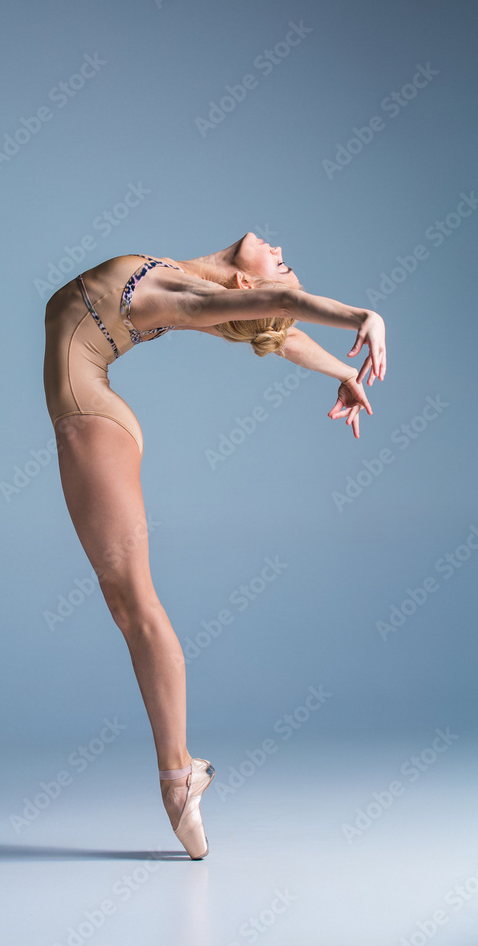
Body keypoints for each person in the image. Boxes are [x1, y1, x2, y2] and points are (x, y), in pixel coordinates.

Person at [42, 231, 386, 859]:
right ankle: (180, 773)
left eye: (286, 269)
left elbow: (287, 309)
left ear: (247, 288)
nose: (286, 251)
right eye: (285, 264)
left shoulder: (185, 299)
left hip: (91, 418)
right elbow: (278, 334)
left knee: (134, 605)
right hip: (93, 411)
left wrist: (363, 317)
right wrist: (344, 372)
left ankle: (178, 779)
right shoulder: (190, 283)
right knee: (126, 605)